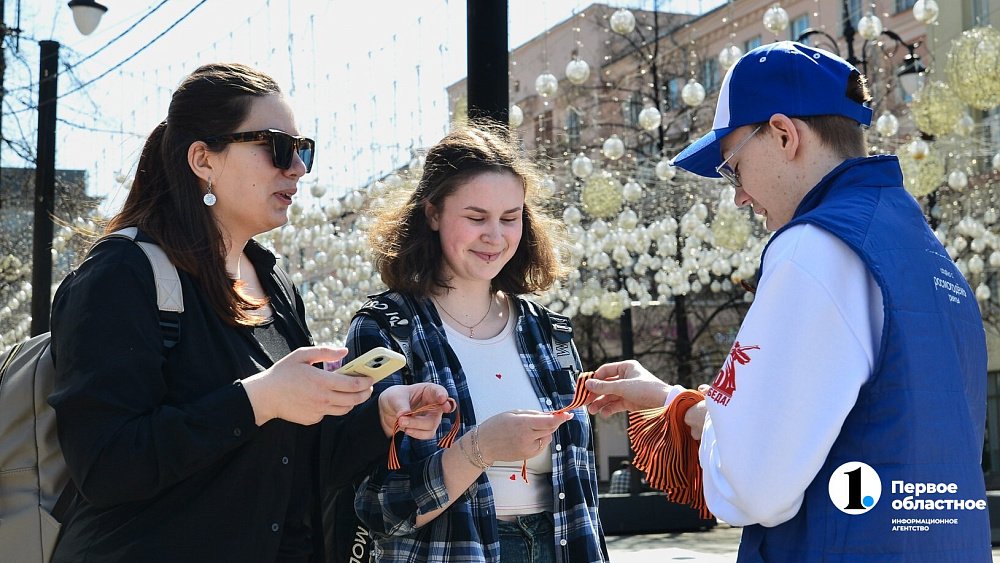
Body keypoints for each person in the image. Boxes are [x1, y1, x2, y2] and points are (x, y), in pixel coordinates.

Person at [584, 42, 990, 561]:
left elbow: (753, 484)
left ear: (783, 134)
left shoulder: (812, 247)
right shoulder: (924, 251)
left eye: (732, 167)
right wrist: (669, 400)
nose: (738, 196)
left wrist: (709, 434)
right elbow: (858, 421)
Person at [48, 62, 451, 563]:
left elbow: (292, 466)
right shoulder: (121, 275)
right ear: (203, 159)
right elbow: (106, 466)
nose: (298, 168)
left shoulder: (274, 282)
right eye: (278, 147)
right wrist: (258, 400)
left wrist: (379, 419)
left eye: (303, 150)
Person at [345, 122, 608, 562]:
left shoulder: (550, 332)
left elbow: (581, 491)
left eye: (510, 218)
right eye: (475, 217)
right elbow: (378, 507)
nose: (496, 236)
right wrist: (481, 447)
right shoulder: (386, 329)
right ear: (432, 213)